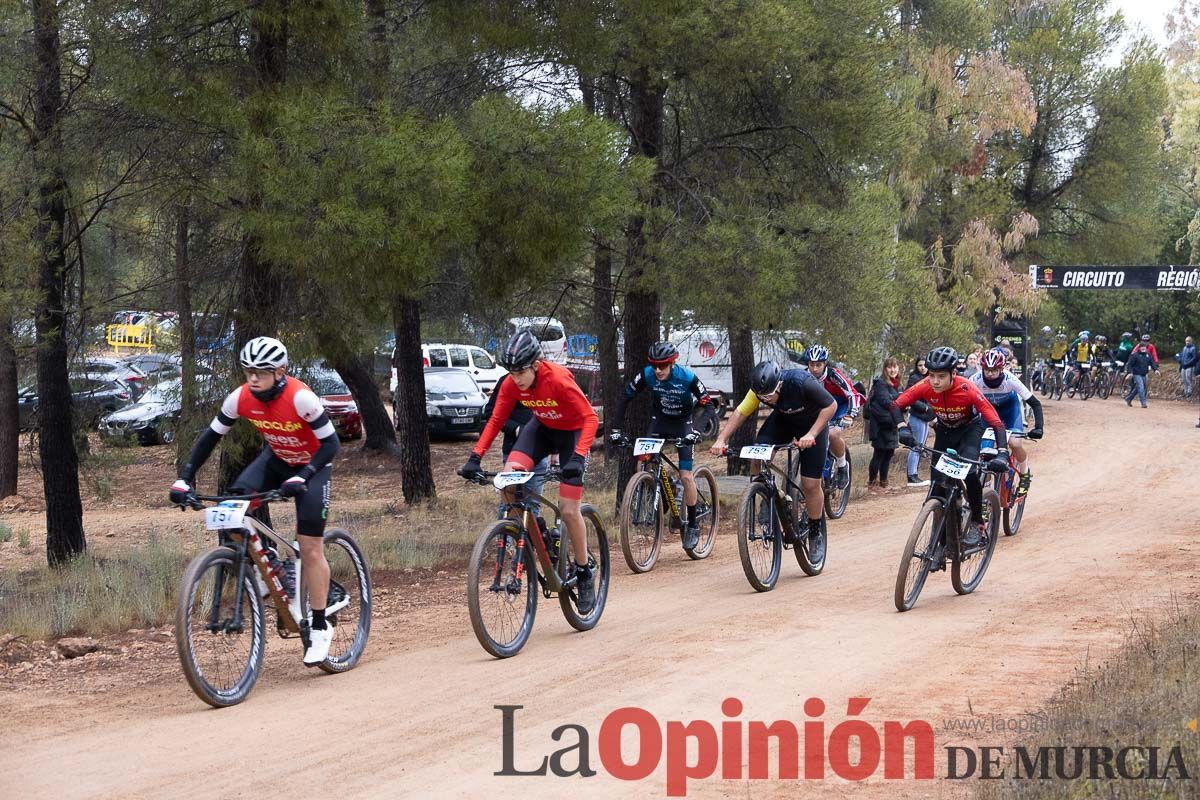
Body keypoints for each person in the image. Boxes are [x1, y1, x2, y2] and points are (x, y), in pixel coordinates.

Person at [169, 336, 344, 666]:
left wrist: (303, 476)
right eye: (248, 370)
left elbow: (332, 444)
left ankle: (319, 625)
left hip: (313, 465)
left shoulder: (301, 397)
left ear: (280, 373)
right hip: (277, 459)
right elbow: (210, 437)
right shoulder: (241, 397)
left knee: (309, 547)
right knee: (233, 503)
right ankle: (271, 561)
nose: (252, 377)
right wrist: (185, 477)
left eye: (260, 372)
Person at [459, 330, 600, 613]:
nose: (516, 378)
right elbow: (497, 418)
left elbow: (590, 418)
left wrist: (577, 457)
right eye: (511, 372)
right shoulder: (512, 384)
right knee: (507, 483)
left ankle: (585, 572)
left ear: (536, 365)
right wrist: (475, 457)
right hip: (540, 431)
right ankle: (539, 533)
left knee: (569, 509)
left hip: (570, 435)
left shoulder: (558, 380)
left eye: (521, 371)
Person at [710, 361, 837, 555]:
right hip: (784, 421)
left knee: (811, 484)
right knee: (757, 455)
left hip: (813, 425)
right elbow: (741, 412)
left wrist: (811, 434)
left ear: (779, 384)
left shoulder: (800, 382)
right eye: (762, 397)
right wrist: (721, 439)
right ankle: (763, 493)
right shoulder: (759, 390)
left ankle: (814, 532)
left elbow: (831, 405)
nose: (766, 399)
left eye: (769, 395)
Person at [888, 346, 1009, 548]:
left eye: (941, 376)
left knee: (970, 473)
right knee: (937, 486)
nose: (935, 381)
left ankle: (977, 522)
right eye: (932, 375)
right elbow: (895, 405)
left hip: (969, 431)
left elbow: (996, 422)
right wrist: (902, 428)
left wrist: (1003, 453)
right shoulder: (925, 385)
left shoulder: (967, 388)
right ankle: (943, 537)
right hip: (945, 432)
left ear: (953, 373)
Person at [609, 341, 709, 550]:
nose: (657, 370)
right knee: (641, 465)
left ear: (673, 363)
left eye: (662, 366)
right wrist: (616, 429)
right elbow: (625, 398)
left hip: (683, 423)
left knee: (686, 475)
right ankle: (661, 489)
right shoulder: (647, 375)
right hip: (660, 421)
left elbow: (707, 405)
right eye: (654, 365)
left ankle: (692, 524)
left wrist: (696, 432)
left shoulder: (686, 377)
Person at [970, 349, 1045, 496]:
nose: (990, 373)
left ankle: (1024, 474)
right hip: (989, 414)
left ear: (1001, 369)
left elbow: (1035, 403)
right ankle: (986, 495)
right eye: (987, 370)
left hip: (1010, 412)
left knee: (1014, 443)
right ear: (982, 368)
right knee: (985, 453)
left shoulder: (1010, 379)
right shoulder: (975, 379)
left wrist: (1039, 427)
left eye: (994, 370)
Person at [483, 372, 550, 518]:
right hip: (513, 450)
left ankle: (530, 540)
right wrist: (515, 428)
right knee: (508, 502)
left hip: (539, 453)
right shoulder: (506, 382)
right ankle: (504, 538)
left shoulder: (546, 382)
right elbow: (490, 413)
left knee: (532, 502)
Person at [800, 344, 863, 489]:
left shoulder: (834, 375)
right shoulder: (803, 376)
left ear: (825, 364)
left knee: (833, 434)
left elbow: (852, 393)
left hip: (839, 405)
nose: (815, 369)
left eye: (818, 365)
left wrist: (850, 415)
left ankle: (842, 466)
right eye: (811, 364)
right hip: (818, 408)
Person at [866, 358, 902, 493]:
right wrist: (901, 401)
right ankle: (872, 483)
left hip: (891, 424)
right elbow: (885, 401)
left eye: (895, 367)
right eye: (889, 367)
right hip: (881, 425)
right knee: (879, 453)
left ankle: (884, 482)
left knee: (888, 453)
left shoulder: (896, 384)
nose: (892, 370)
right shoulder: (881, 383)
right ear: (885, 369)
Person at [905, 357, 932, 487]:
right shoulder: (914, 379)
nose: (922, 368)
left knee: (920, 446)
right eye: (920, 365)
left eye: (924, 365)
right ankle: (912, 475)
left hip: (925, 417)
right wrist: (925, 407)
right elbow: (910, 398)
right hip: (917, 416)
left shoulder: (929, 378)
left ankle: (914, 473)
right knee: (916, 446)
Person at [1124, 340, 1158, 408]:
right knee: (1141, 388)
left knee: (1138, 388)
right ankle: (1143, 403)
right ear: (1139, 348)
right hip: (1136, 374)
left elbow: (1152, 363)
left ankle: (1129, 399)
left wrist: (1156, 370)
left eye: (1144, 347)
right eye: (1142, 347)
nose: (1143, 348)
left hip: (1144, 374)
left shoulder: (1148, 355)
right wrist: (1130, 372)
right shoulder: (1134, 355)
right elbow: (1130, 364)